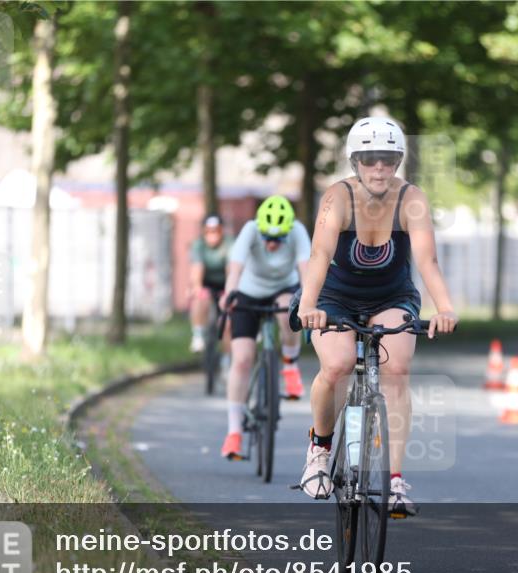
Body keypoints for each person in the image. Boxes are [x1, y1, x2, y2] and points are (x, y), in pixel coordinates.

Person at [292, 116, 458, 516]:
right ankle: (319, 448)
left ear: (398, 161)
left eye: (387, 158)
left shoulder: (411, 200)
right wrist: (308, 306)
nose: (379, 167)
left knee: (397, 368)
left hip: (391, 295)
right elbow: (319, 255)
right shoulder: (337, 198)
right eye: (370, 159)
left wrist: (445, 307)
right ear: (356, 162)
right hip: (334, 296)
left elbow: (427, 260)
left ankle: (395, 482)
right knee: (338, 363)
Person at [219, 196, 311, 460]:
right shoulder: (249, 230)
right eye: (267, 238)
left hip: (284, 288)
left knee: (288, 310)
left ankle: (290, 366)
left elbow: (306, 271)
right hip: (249, 291)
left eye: (278, 240)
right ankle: (234, 432)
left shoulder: (298, 231)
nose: (272, 244)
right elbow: (235, 269)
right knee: (243, 359)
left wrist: (308, 301)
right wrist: (229, 294)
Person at [188, 214, 232, 353]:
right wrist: (197, 287)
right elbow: (197, 269)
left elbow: (230, 269)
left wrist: (229, 291)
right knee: (200, 297)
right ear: (203, 232)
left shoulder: (229, 244)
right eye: (208, 231)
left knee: (227, 323)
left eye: (216, 231)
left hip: (226, 283)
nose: (212, 235)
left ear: (221, 231)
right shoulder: (198, 245)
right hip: (207, 283)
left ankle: (227, 358)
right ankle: (198, 335)